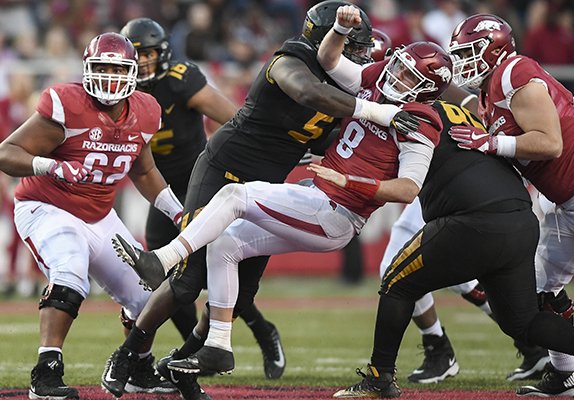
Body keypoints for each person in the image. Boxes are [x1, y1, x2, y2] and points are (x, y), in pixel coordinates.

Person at [101, 2, 409, 399]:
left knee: (240, 293)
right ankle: (127, 355)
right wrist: (377, 111)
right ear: (325, 38)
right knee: (189, 280)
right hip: (224, 170)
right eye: (356, 46)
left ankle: (184, 365)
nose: (360, 56)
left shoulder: (348, 87)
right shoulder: (291, 58)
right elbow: (306, 91)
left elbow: (331, 138)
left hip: (265, 186)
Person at [0, 33, 183, 400]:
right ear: (87, 69)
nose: (110, 76)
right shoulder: (67, 103)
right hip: (48, 207)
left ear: (133, 73)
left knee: (152, 296)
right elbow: (7, 152)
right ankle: (46, 372)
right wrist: (50, 166)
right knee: (70, 270)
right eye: (102, 67)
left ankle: (138, 368)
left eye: (117, 68)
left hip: (99, 215)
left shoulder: (146, 110)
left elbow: (144, 172)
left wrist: (178, 212)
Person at [120, 16, 290, 384]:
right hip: (160, 190)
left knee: (208, 269)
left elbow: (234, 118)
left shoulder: (179, 79)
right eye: (136, 55)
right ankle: (189, 354)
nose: (142, 62)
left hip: (199, 185)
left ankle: (263, 331)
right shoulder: (122, 88)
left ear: (162, 53)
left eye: (147, 54)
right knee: (166, 278)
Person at [448, 13, 574, 396]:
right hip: (565, 201)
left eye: (468, 53)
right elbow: (469, 102)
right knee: (535, 291)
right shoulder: (488, 91)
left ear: (494, 50)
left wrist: (492, 144)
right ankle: (566, 376)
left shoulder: (514, 72)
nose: (463, 62)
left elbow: (551, 144)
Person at [383, 199, 550, 384]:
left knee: (400, 269)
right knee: (408, 269)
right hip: (444, 189)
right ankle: (534, 345)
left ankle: (439, 351)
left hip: (454, 190)